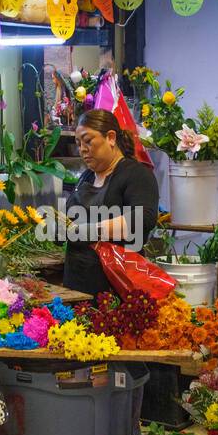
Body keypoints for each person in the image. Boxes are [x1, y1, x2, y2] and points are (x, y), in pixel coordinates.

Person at [62, 107, 160, 298]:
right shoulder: (86, 177)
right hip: (76, 285)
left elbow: (141, 220)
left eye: (88, 141)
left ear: (111, 138)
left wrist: (87, 230)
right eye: (78, 143)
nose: (82, 149)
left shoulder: (137, 174)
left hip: (115, 290)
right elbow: (71, 221)